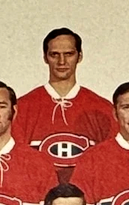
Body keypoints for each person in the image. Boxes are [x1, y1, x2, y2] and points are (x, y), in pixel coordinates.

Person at [13, 28, 115, 181]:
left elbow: (111, 165)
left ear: (80, 56)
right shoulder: (22, 108)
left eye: (69, 54)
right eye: (54, 55)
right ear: (45, 57)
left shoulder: (102, 108)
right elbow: (16, 164)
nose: (62, 62)